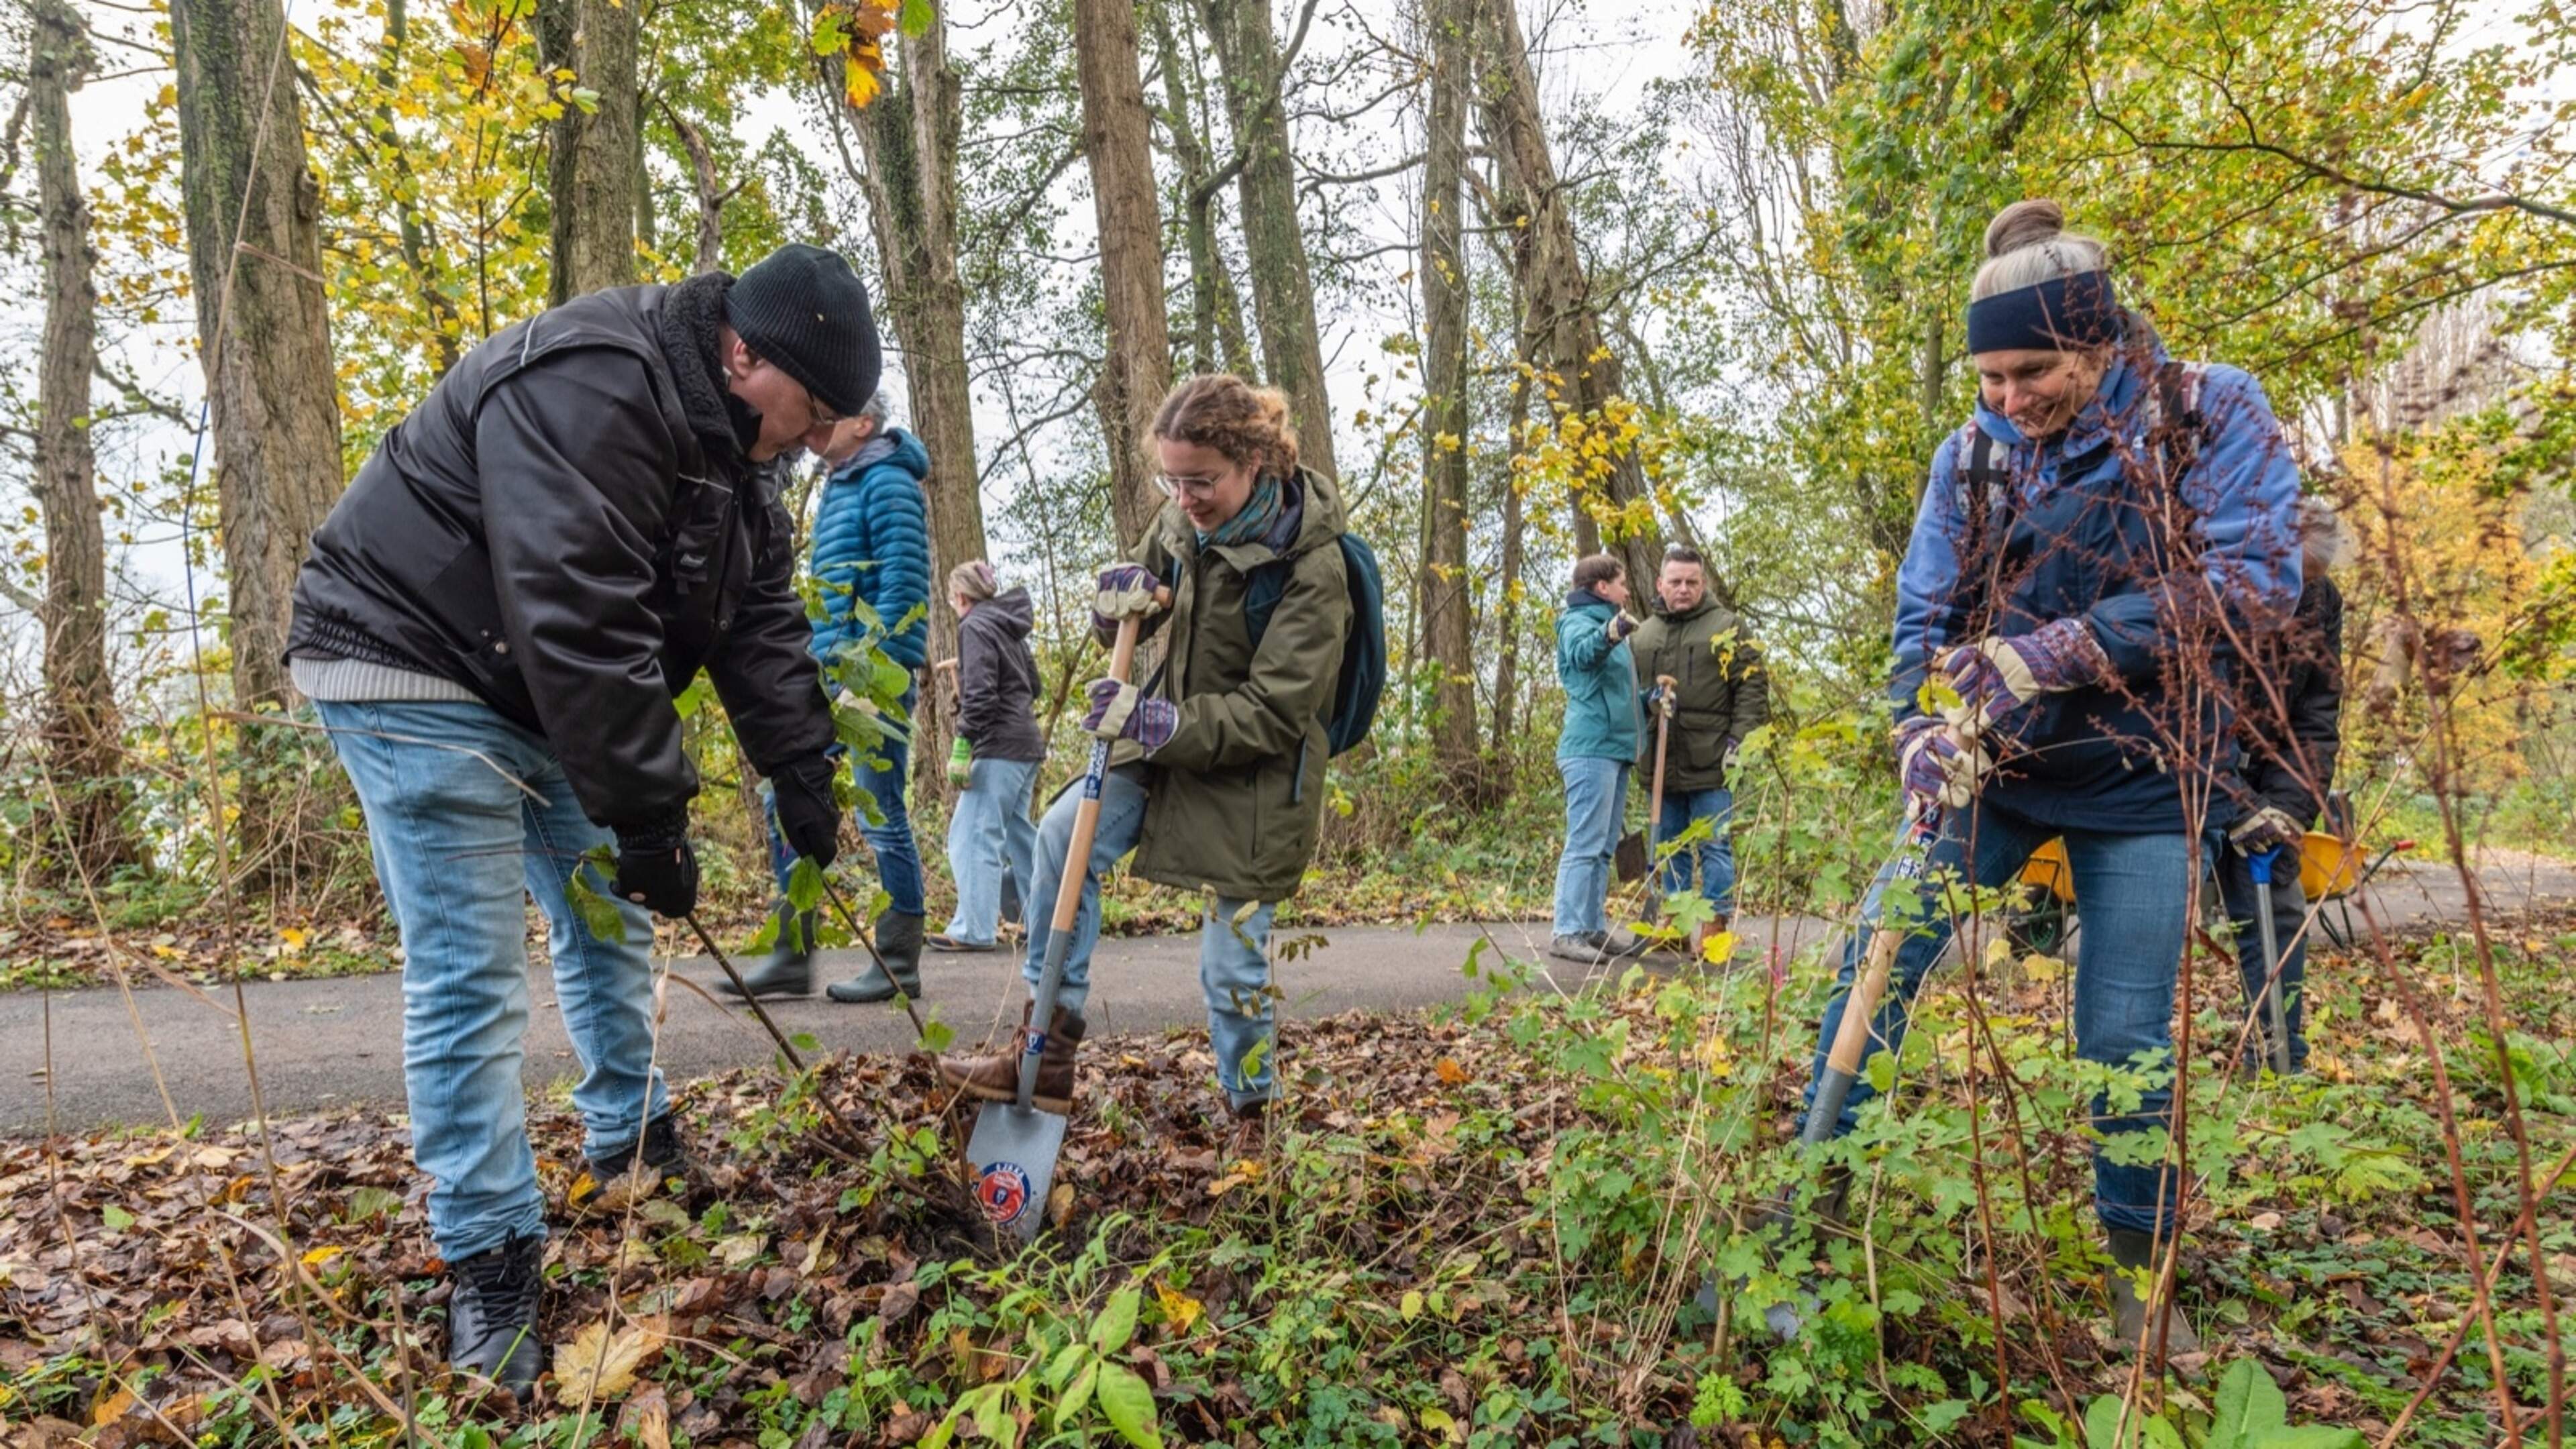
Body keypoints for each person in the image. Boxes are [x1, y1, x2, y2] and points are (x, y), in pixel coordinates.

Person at [285, 244, 878, 1393]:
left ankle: (632, 1145)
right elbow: (576, 607)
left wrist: (802, 768)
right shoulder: (591, 379)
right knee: (470, 970)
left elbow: (756, 614)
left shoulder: (735, 451)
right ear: (743, 352)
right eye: (810, 412)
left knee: (606, 916)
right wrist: (650, 817)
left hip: (544, 692)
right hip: (408, 659)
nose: (816, 442)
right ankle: (490, 1254)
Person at [1796, 199, 2302, 1356]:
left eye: (2033, 372)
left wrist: (2057, 648)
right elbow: (1923, 615)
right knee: (1877, 959)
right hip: (1994, 770)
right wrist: (1915, 729)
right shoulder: (1973, 455)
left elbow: (2259, 579)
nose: (2009, 401)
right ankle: (1807, 1217)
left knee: (2124, 1034)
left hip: (2146, 777)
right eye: (1988, 378)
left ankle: (2139, 1283)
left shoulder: (2206, 413)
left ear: (2103, 344)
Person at [936, 375, 1351, 1154]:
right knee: (1061, 842)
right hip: (1158, 742)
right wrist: (1114, 601)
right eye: (1173, 479)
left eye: (1203, 482)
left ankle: (1254, 1119)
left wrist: (1156, 720)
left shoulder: (1312, 568)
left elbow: (1276, 711)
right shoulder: (1177, 519)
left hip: (1254, 778)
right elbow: (1126, 604)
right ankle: (1046, 1052)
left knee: (1230, 964)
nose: (1185, 498)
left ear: (1254, 462)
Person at [722, 387, 934, 1003]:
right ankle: (792, 952)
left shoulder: (888, 480)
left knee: (877, 808)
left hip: (873, 678)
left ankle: (898, 962)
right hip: (827, 669)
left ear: (864, 423)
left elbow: (904, 588)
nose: (815, 427)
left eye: (829, 415)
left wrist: (877, 679)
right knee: (783, 797)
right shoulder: (843, 482)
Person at [2218, 498, 2346, 1075]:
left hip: (2274, 784)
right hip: (2190, 779)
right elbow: (2180, 709)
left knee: (2281, 912)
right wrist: (2233, 802)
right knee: (2157, 907)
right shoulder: (2211, 589)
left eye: (2307, 579)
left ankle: (2278, 1057)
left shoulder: (2324, 604)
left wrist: (2288, 809)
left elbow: (2317, 716)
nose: (2294, 592)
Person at [1628, 543, 1768, 952]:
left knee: (1715, 847)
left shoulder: (1727, 627)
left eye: (1691, 581)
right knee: (1669, 846)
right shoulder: (1643, 635)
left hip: (1711, 759)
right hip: (1661, 758)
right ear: (1661, 584)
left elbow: (1752, 686)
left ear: (1702, 583)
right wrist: (1648, 704)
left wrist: (1738, 743)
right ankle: (1673, 923)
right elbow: (1629, 694)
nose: (1684, 589)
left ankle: (1714, 926)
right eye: (1676, 582)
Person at [928, 560, 1044, 953]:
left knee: (972, 834)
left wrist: (963, 741)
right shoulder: (1008, 627)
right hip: (1027, 743)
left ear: (960, 597)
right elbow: (1035, 685)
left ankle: (974, 929)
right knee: (1018, 833)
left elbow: (982, 696)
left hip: (1000, 747)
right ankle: (1042, 921)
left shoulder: (974, 625)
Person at [1549, 553, 1644, 964]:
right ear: (1602, 588)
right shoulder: (1578, 623)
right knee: (1584, 844)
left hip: (1615, 748)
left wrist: (1649, 702)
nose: (1626, 591)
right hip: (1589, 749)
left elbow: (1613, 693)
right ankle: (1566, 932)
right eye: (1621, 583)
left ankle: (1591, 928)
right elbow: (1583, 655)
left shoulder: (1610, 630)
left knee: (1604, 848)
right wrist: (1610, 633)